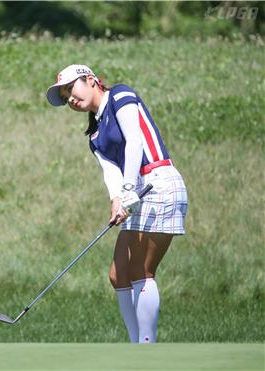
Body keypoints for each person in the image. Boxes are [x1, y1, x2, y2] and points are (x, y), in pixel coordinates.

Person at [46, 65, 188, 343]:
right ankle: (135, 345)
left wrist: (127, 190)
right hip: (135, 190)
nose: (70, 100)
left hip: (157, 181)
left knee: (140, 270)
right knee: (118, 274)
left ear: (90, 80)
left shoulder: (120, 95)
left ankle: (145, 350)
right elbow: (111, 171)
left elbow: (134, 141)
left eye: (71, 90)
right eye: (65, 98)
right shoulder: (95, 134)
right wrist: (116, 200)